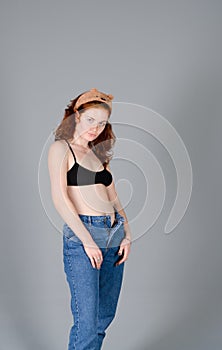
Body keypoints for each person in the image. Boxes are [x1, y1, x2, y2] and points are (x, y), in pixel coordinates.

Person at [48, 88, 132, 350]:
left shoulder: (97, 154)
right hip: (84, 234)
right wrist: (87, 240)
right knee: (86, 321)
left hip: (113, 234)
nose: (97, 128)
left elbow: (113, 196)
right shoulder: (61, 149)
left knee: (104, 316)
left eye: (103, 122)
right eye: (91, 120)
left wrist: (127, 232)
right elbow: (60, 199)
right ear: (76, 116)